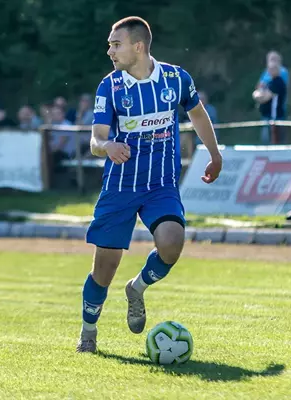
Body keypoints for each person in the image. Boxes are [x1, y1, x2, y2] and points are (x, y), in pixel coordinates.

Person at [76, 16, 223, 353]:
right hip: (121, 187)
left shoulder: (176, 78)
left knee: (172, 243)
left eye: (116, 44)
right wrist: (108, 146)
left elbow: (197, 114)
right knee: (104, 269)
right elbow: (96, 140)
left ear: (138, 46)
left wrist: (214, 154)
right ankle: (88, 332)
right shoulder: (110, 87)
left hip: (161, 185)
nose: (110, 51)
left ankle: (137, 288)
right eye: (110, 45)